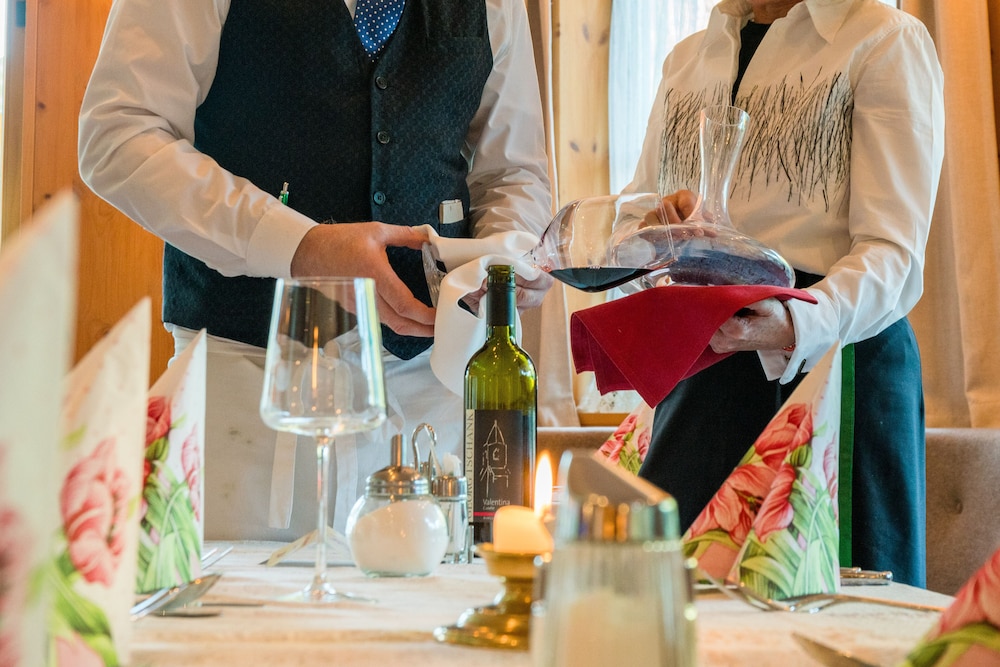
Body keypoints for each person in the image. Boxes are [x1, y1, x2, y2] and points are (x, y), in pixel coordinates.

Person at [78, 0, 553, 541]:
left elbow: (513, 173)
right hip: (247, 397)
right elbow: (118, 133)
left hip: (429, 406)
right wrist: (299, 246)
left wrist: (509, 253)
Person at [626, 0, 944, 587]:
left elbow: (893, 252)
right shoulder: (685, 61)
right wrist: (654, 232)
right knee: (668, 602)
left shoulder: (885, 40)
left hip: (840, 369)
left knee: (835, 614)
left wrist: (797, 322)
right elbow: (637, 217)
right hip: (705, 368)